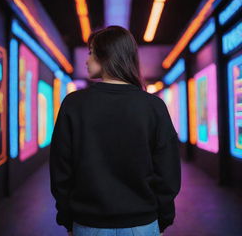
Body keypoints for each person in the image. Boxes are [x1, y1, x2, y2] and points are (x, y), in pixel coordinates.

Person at [49, 26, 181, 236]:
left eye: (91, 52)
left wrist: (67, 218)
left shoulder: (74, 105)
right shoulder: (153, 106)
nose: (86, 59)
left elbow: (61, 170)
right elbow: (168, 171)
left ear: (107, 55)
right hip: (143, 224)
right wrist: (163, 218)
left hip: (88, 224)